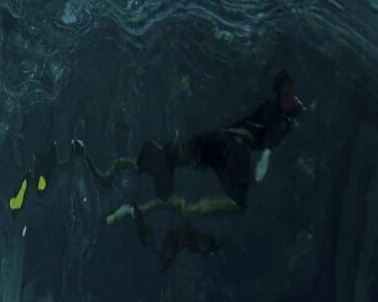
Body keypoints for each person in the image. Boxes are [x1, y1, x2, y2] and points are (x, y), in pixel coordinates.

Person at [73, 72, 305, 265]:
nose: (291, 99)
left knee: (169, 157)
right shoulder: (284, 120)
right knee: (237, 205)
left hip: (219, 138)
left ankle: (130, 195)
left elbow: (252, 129)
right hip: (233, 147)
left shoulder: (273, 106)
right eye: (288, 96)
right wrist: (264, 159)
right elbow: (269, 144)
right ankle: (183, 208)